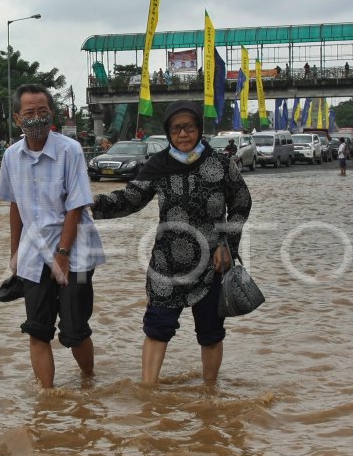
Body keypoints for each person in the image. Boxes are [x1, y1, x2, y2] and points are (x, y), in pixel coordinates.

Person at [92, 101, 251, 388]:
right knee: (156, 328)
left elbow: (241, 204)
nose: (183, 133)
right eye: (176, 128)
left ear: (200, 129)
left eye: (189, 127)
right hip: (166, 263)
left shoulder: (222, 164)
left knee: (211, 332)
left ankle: (210, 394)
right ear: (168, 132)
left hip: (212, 264)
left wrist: (228, 244)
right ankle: (148, 394)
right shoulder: (157, 165)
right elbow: (131, 199)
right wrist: (88, 204)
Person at [0, 83, 105, 389]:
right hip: (34, 253)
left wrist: (63, 255)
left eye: (42, 112)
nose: (36, 119)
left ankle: (89, 383)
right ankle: (47, 401)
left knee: (73, 330)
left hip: (77, 252)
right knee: (37, 329)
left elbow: (75, 205)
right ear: (18, 119)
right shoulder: (11, 156)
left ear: (52, 114)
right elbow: (15, 206)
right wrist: (15, 253)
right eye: (29, 113)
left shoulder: (70, 150)